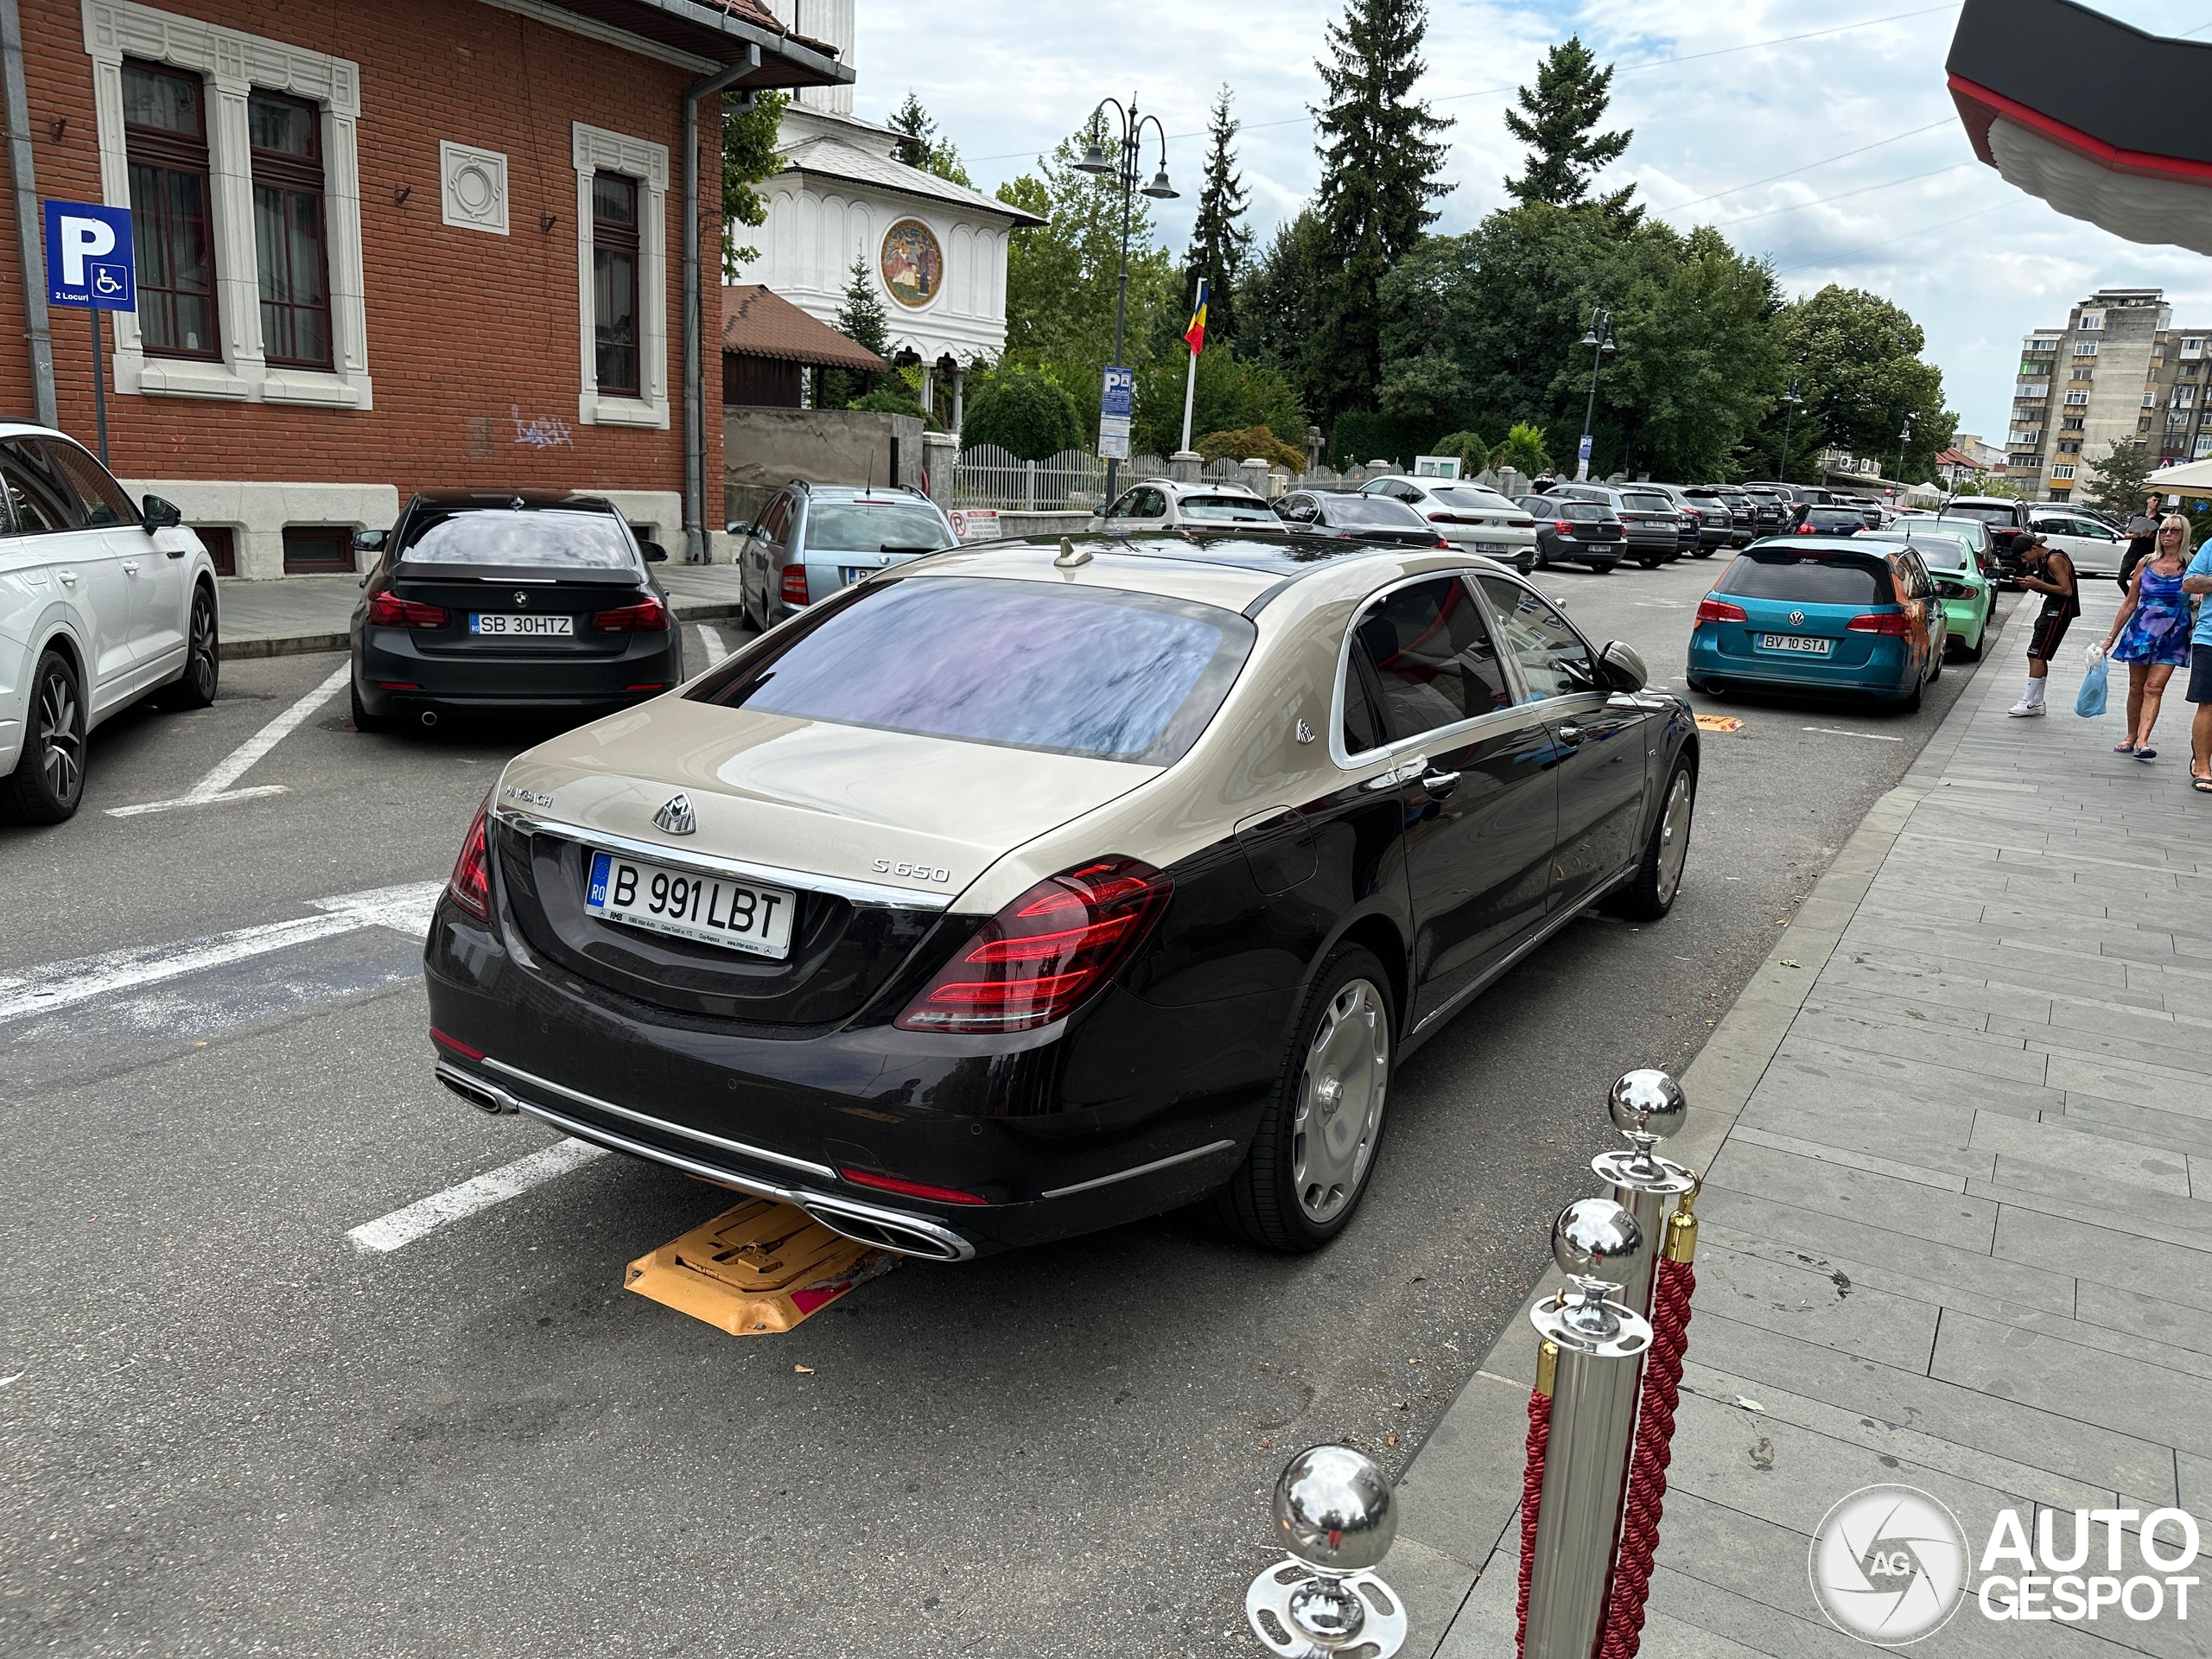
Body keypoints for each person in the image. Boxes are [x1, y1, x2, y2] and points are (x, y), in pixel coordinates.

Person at [2102, 514, 2196, 758]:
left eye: (2174, 531)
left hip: (2174, 633)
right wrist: (2111, 637)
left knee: (2154, 688)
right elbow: (2130, 602)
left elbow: (2200, 595)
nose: (2167, 535)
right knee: (2136, 687)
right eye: (2164, 530)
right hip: (2141, 630)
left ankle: (2143, 740)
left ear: (2183, 535)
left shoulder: (2191, 565)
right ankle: (2131, 735)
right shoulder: (2146, 563)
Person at [2008, 531, 2080, 717]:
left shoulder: (2053, 560)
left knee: (2036, 653)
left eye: (2025, 556)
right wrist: (2033, 585)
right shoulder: (2044, 558)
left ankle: (2028, 701)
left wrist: (2038, 582)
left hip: (2059, 611)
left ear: (2034, 549)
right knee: (2039, 654)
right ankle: (2037, 701)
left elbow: (2066, 590)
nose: (2025, 561)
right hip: (2052, 608)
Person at [2187, 530, 2212, 794]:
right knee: (2208, 703)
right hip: (2210, 638)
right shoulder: (2211, 547)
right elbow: (2190, 583)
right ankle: (2204, 766)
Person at [2119, 493, 2163, 593]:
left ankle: (2137, 599)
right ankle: (2130, 597)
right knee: (2121, 580)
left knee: (2142, 581)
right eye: (2154, 500)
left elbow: (2161, 539)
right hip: (2133, 552)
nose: (2156, 503)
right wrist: (2132, 536)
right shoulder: (2138, 517)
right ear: (2148, 500)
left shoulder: (2161, 520)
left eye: (2158, 501)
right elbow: (2126, 534)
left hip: (2148, 554)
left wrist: (2152, 536)